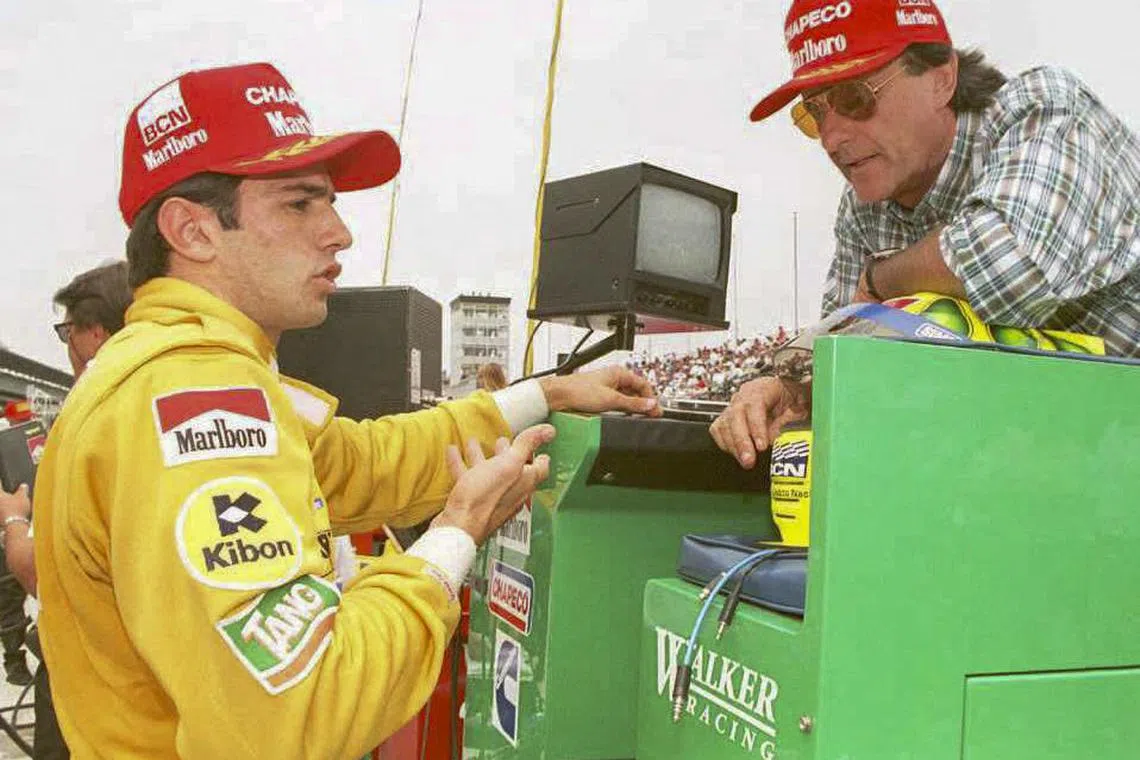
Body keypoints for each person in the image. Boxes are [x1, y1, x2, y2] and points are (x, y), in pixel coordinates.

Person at [33, 62, 660, 758]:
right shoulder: (192, 392)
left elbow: (359, 463)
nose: (338, 233)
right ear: (194, 231)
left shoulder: (172, 369)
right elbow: (301, 711)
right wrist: (454, 536)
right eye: (300, 204)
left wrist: (547, 394)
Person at [712, 0, 1140, 467]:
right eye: (814, 113)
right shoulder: (863, 207)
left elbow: (1011, 270)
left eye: (854, 98)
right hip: (1039, 463)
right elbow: (842, 356)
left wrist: (881, 282)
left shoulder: (1043, 109)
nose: (832, 139)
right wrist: (783, 387)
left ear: (941, 78)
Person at [0, 260, 133, 759]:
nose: (68, 346)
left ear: (94, 333)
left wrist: (14, 518)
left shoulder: (88, 423)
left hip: (88, 683)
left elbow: (41, 575)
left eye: (66, 332)